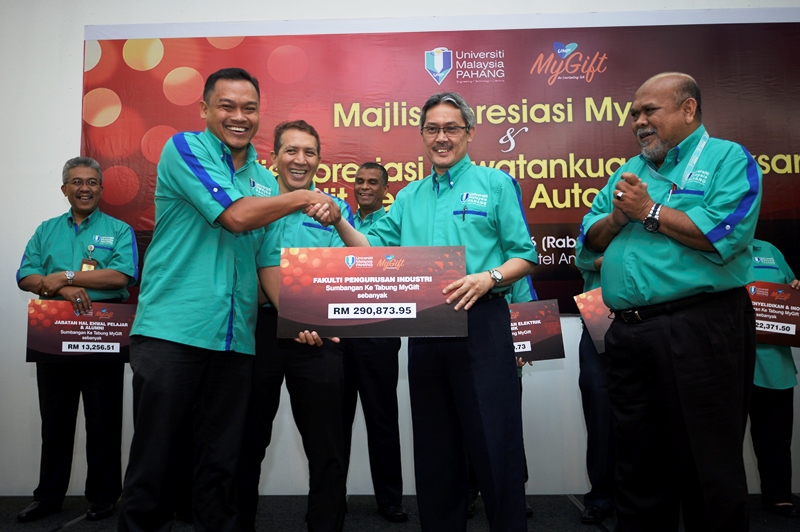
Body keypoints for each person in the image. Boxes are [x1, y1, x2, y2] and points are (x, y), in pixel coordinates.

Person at [118, 69, 341, 532]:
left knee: (221, 467)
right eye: (227, 105)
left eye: (249, 108)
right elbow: (235, 217)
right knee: (157, 464)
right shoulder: (184, 148)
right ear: (204, 108)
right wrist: (304, 197)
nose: (239, 116)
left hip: (236, 341)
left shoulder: (264, 181)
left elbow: (268, 264)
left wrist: (302, 318)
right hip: (173, 332)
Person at [320, 92, 538, 531]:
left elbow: (525, 255)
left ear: (469, 132)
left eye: (451, 128)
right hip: (427, 329)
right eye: (433, 129)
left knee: (494, 444)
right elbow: (371, 249)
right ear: (422, 135)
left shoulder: (496, 184)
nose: (442, 138)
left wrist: (489, 277)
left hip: (482, 321)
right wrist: (340, 220)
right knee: (436, 450)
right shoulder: (408, 197)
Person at [576, 72, 761, 531]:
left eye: (649, 111)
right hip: (627, 332)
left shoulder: (727, 159)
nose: (638, 121)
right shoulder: (629, 170)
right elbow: (589, 238)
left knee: (707, 467)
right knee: (637, 468)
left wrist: (648, 211)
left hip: (698, 329)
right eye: (634, 114)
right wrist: (618, 218)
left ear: (688, 109)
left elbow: (724, 235)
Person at [236, 120, 353, 532]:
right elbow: (250, 269)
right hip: (259, 332)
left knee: (327, 447)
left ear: (319, 160)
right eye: (291, 150)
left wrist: (338, 220)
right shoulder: (253, 205)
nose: (300, 160)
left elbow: (354, 265)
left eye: (309, 152)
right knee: (247, 443)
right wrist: (292, 313)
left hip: (319, 335)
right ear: (273, 158)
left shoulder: (332, 209)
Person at [16, 156, 139, 522]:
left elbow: (121, 276)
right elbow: (26, 275)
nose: (84, 188)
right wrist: (63, 289)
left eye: (91, 182)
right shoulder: (46, 229)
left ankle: (103, 497)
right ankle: (48, 497)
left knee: (104, 422)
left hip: (101, 331)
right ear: (64, 189)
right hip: (53, 332)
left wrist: (67, 277)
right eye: (77, 182)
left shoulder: (119, 230)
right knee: (55, 422)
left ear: (101, 188)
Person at [340, 162, 407, 523]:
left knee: (382, 420)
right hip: (337, 335)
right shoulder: (337, 222)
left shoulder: (394, 224)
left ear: (385, 189)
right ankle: (331, 499)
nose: (364, 187)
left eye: (372, 182)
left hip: (378, 335)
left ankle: (390, 501)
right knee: (334, 423)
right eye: (359, 181)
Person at [748, 240, 800, 518]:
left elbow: (790, 288)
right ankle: (722, 502)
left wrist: (795, 291)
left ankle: (778, 496)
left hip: (773, 362)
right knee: (717, 442)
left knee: (775, 437)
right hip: (723, 360)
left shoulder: (769, 251)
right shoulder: (702, 246)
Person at [573, 255, 615, 525]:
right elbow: (585, 257)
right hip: (599, 316)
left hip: (650, 317)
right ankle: (601, 496)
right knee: (600, 412)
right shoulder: (596, 228)